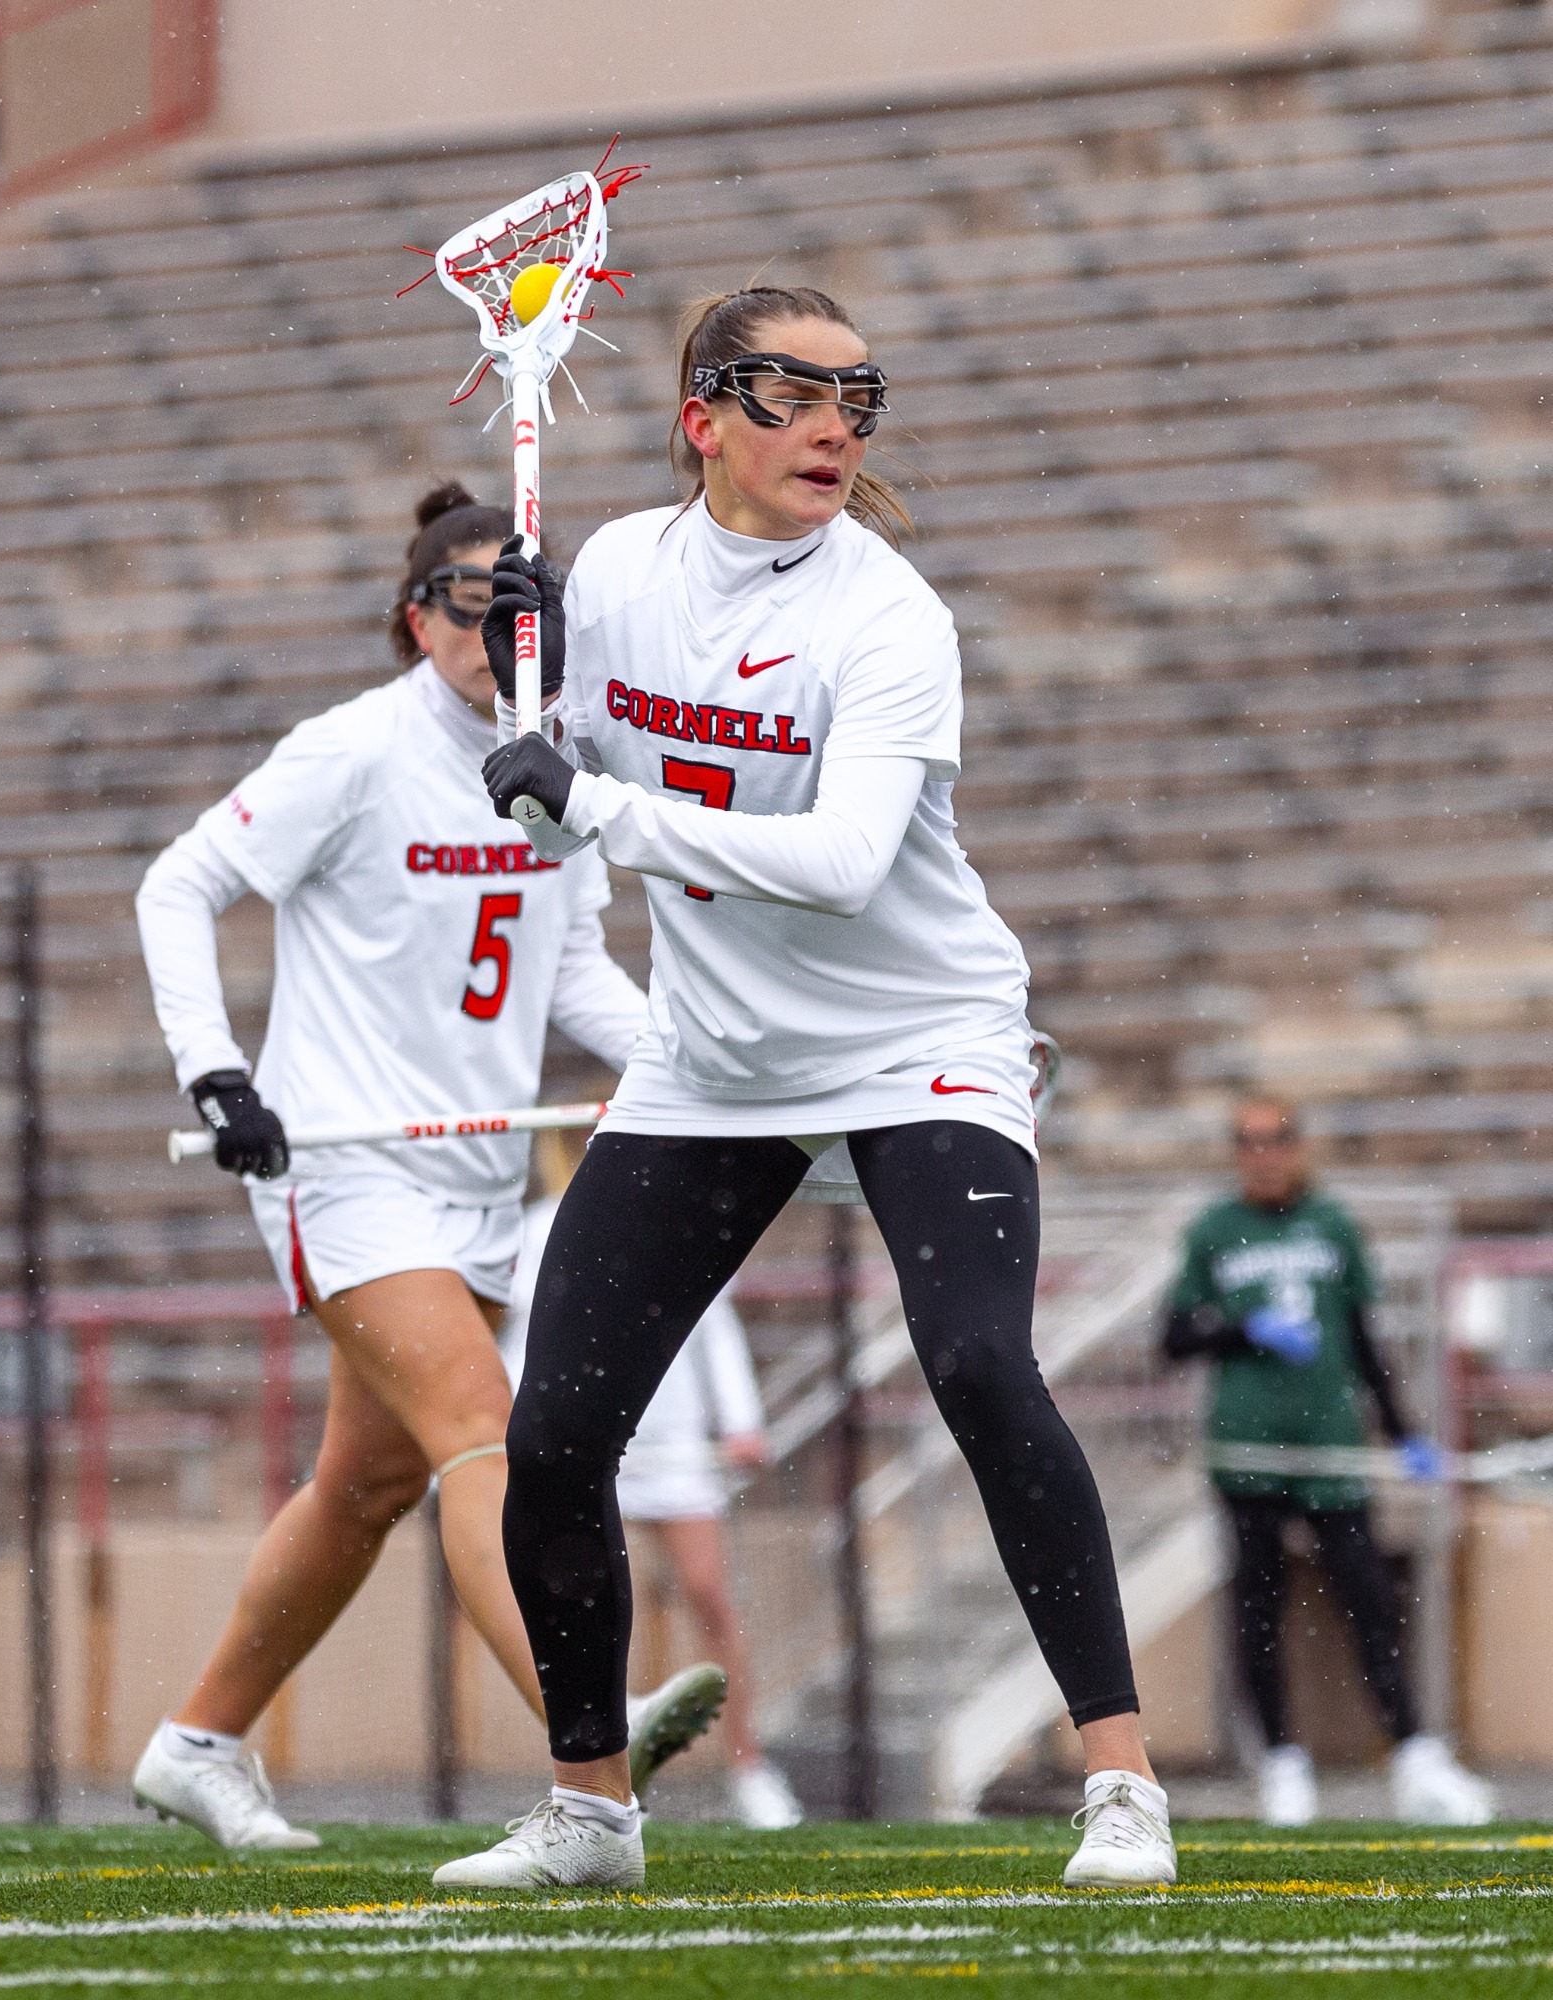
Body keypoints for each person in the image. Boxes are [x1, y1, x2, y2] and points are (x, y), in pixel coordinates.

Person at [433, 284, 1176, 1891]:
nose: (836, 424)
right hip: (714, 1060)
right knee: (553, 1431)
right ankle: (590, 1811)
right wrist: (512, 680)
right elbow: (546, 773)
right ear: (701, 417)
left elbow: (837, 863)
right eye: (792, 391)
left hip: (917, 1034)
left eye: (859, 396)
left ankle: (1120, 1783)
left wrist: (592, 805)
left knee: (978, 1366)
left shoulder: (886, 615)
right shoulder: (616, 570)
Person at [131, 483, 725, 1850]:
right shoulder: (352, 750)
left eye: (519, 609)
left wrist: (698, 1061)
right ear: (417, 620)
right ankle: (592, 1727)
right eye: (468, 606)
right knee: (480, 1427)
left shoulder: (553, 762)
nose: (495, 632)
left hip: (474, 1181)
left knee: (366, 1486)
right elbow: (178, 884)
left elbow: (571, 972)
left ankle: (197, 1741)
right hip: (343, 1165)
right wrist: (214, 1070)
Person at [1162, 1093, 1492, 1827]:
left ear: (1298, 1145)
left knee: (1369, 1600)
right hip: (1248, 1451)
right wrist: (1244, 1329)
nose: (1263, 1155)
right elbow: (1175, 1336)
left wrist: (1402, 1432)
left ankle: (1415, 1757)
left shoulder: (1333, 1225)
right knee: (1257, 1609)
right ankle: (1281, 1765)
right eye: (1247, 1141)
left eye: (1275, 1138)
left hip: (1330, 1447)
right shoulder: (1213, 1231)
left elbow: (1364, 1340)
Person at [501, 1136, 805, 1831]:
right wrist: (511, 1429)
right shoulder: (539, 1227)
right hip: (576, 1447)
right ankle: (588, 1777)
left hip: (670, 1444)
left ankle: (749, 1768)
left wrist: (740, 1418)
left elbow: (713, 1325)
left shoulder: (677, 1213)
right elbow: (524, 1333)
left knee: (709, 1596)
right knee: (571, 1604)